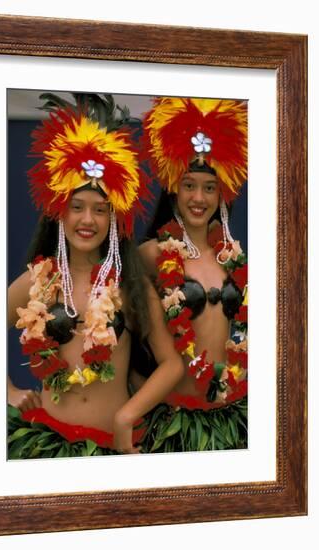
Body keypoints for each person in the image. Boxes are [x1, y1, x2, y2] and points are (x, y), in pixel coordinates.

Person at [7, 96, 183, 458]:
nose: (88, 220)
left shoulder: (129, 287)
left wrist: (126, 416)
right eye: (77, 207)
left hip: (110, 448)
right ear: (59, 212)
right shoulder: (37, 283)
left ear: (114, 220)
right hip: (46, 443)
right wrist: (7, 392)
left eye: (100, 210)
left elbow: (172, 363)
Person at [135, 97, 248, 452]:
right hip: (173, 422)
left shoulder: (234, 258)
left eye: (209, 187)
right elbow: (117, 339)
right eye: (189, 185)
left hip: (233, 418)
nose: (199, 197)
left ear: (223, 193)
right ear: (173, 188)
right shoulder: (151, 255)